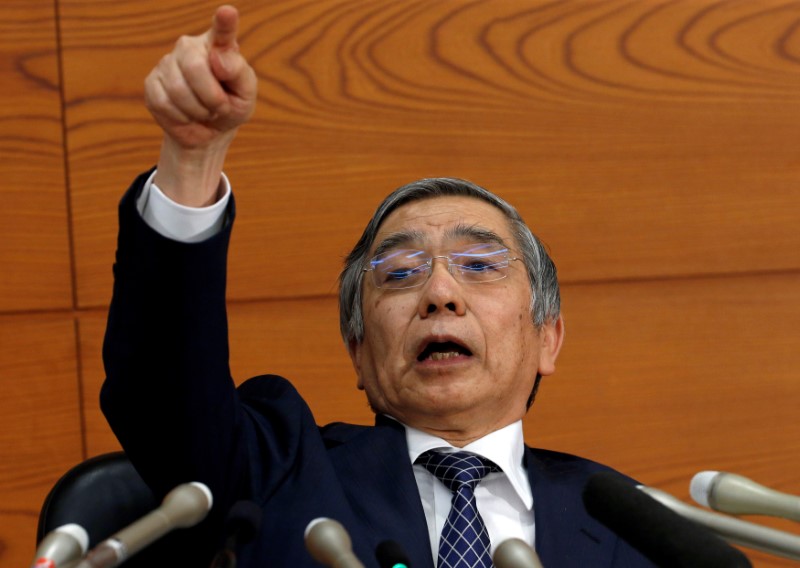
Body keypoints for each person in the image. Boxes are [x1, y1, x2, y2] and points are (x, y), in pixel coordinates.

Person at [100, 5, 654, 567]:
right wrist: (192, 162)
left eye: (480, 265)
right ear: (359, 352)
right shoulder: (275, 469)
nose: (441, 293)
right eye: (400, 273)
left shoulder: (634, 528)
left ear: (548, 338)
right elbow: (161, 393)